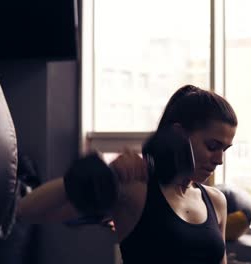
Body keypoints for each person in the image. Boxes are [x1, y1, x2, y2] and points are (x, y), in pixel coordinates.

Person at [17, 84, 238, 264]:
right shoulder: (136, 189)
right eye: (212, 146)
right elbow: (25, 211)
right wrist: (106, 174)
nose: (219, 159)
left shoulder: (216, 201)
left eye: (224, 150)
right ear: (178, 135)